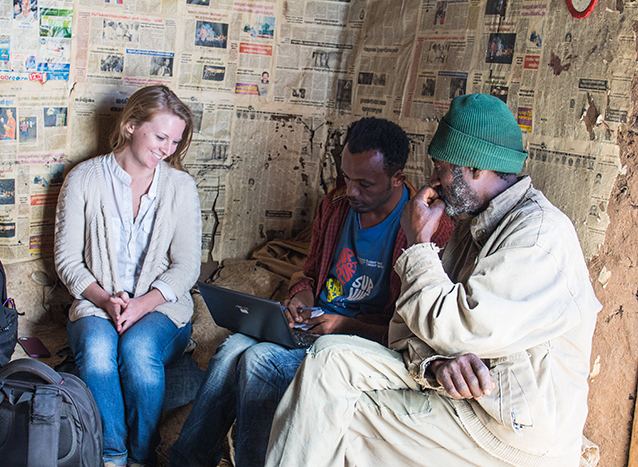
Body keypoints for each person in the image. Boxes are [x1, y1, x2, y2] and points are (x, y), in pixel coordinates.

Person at [266, 94, 602, 467]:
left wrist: (418, 244)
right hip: (462, 399)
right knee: (329, 358)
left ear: (475, 168)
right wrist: (437, 362)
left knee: (331, 414)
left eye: (441, 167)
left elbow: (456, 330)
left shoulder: (539, 236)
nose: (432, 181)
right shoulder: (473, 229)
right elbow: (407, 328)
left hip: (510, 432)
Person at [168, 117, 453, 467]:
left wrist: (343, 325)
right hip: (313, 325)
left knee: (259, 360)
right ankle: (187, 461)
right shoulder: (335, 206)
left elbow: (409, 331)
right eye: (346, 178)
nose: (351, 191)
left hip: (357, 342)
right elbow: (310, 273)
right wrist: (301, 298)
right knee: (230, 351)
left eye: (364, 184)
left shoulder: (425, 227)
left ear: (397, 178)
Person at [54, 85, 201, 467]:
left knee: (138, 350)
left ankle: (141, 457)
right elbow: (67, 260)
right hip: (96, 303)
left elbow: (187, 266)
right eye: (161, 137)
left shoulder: (181, 186)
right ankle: (113, 456)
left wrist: (142, 305)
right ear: (131, 125)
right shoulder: (84, 178)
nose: (168, 149)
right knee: (98, 353)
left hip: (161, 307)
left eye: (175, 141)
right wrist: (105, 300)